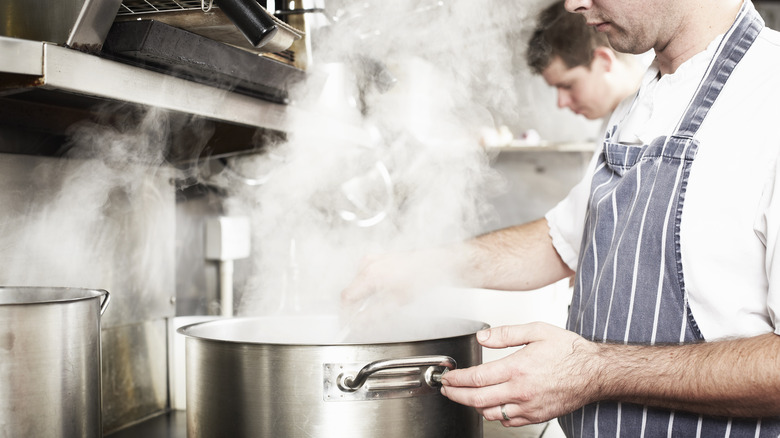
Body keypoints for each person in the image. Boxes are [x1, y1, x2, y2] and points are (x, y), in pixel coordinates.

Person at [342, 0, 780, 436]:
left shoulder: (768, 97)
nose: (572, 3)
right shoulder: (644, 101)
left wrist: (595, 371)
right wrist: (424, 267)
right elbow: (562, 240)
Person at [526, 0, 643, 122]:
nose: (561, 103)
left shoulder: (653, 124)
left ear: (604, 61)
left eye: (567, 86)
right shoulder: (617, 120)